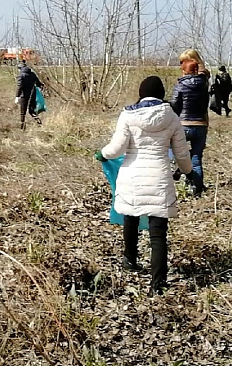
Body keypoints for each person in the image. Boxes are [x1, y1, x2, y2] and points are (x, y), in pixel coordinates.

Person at [95, 76, 193, 296]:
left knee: (131, 217)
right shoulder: (172, 117)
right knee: (158, 234)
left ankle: (130, 259)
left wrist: (102, 154)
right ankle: (158, 283)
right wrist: (188, 171)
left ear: (141, 93)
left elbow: (117, 148)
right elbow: (181, 154)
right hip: (159, 176)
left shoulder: (128, 115)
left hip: (132, 175)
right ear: (161, 93)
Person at [170, 52, 210, 197]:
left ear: (184, 70)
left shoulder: (180, 85)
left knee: (170, 145)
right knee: (196, 157)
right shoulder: (204, 84)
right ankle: (197, 189)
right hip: (201, 124)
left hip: (184, 124)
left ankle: (177, 165)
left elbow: (174, 105)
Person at [15, 60, 44, 129]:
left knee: (23, 112)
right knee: (32, 111)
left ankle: (22, 127)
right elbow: (39, 84)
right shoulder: (33, 74)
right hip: (32, 95)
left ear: (20, 68)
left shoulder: (21, 76)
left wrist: (17, 96)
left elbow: (19, 87)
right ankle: (39, 122)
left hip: (24, 96)